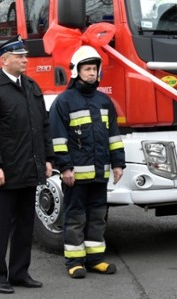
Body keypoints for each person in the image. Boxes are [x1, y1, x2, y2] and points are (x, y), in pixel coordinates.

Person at [0, 35, 54, 294]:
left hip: (28, 169)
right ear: (4, 60)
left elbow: (43, 126)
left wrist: (48, 158)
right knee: (0, 227)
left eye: (25, 56)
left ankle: (20, 273)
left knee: (25, 225)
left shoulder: (31, 87)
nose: (25, 60)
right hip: (4, 173)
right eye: (19, 57)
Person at [49, 45, 126, 278]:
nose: (92, 73)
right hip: (75, 175)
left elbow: (113, 135)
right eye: (87, 69)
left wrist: (118, 163)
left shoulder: (104, 101)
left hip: (99, 173)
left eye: (94, 69)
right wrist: (65, 168)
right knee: (75, 217)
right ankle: (74, 261)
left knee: (97, 216)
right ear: (76, 72)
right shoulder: (63, 101)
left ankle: (95, 259)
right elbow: (58, 138)